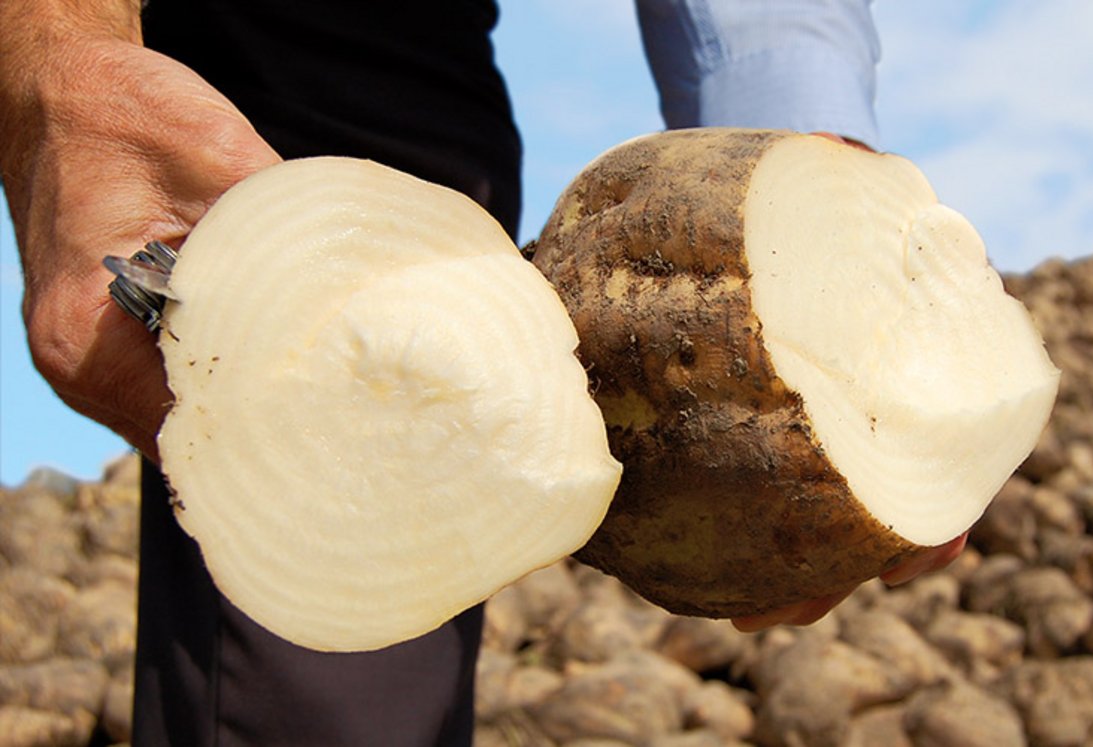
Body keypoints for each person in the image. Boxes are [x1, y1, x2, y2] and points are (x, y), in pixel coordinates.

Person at [0, 1, 966, 744]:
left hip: (410, 50)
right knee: (308, 623)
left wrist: (804, 150)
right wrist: (61, 60)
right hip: (225, 31)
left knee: (423, 563)